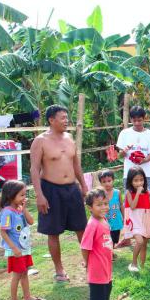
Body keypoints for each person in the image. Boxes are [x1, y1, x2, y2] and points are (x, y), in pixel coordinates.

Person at [30, 104, 88, 282]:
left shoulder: (70, 138)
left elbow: (76, 164)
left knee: (82, 228)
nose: (66, 121)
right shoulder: (40, 141)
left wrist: (84, 186)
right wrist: (39, 195)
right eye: (62, 118)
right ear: (51, 120)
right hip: (51, 190)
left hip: (72, 189)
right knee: (53, 232)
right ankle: (59, 270)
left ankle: (89, 263)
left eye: (67, 117)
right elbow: (34, 168)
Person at [0, 180, 45, 300]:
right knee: (17, 275)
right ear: (11, 195)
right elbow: (3, 232)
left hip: (24, 248)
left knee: (24, 272)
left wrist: (24, 209)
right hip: (16, 250)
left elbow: (30, 221)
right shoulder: (7, 212)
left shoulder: (19, 210)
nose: (25, 198)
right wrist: (14, 248)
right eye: (22, 195)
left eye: (25, 195)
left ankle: (27, 296)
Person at [80, 188, 117, 300]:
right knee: (97, 294)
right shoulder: (92, 225)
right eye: (99, 205)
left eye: (105, 203)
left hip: (105, 263)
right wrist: (88, 263)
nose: (104, 207)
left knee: (106, 289)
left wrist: (110, 251)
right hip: (97, 266)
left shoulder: (103, 219)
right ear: (90, 208)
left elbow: (104, 239)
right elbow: (85, 247)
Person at [116, 105, 150, 194]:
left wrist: (142, 160)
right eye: (134, 120)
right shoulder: (124, 133)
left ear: (144, 119)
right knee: (129, 202)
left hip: (146, 174)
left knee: (146, 202)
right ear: (130, 119)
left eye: (139, 120)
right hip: (129, 174)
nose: (137, 123)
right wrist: (124, 151)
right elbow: (120, 155)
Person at [124, 166, 150, 272]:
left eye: (141, 180)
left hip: (145, 219)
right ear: (130, 181)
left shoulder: (147, 191)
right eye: (136, 180)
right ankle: (133, 263)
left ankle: (142, 266)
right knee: (139, 241)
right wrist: (137, 193)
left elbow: (149, 204)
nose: (139, 183)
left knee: (144, 244)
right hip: (134, 219)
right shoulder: (129, 192)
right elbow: (133, 206)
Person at [98, 169, 124, 259]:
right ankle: (109, 253)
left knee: (115, 238)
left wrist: (124, 216)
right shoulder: (99, 194)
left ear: (113, 180)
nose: (107, 183)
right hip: (105, 221)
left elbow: (121, 205)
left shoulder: (118, 192)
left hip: (116, 220)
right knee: (106, 238)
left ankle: (111, 250)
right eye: (104, 182)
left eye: (109, 181)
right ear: (101, 183)